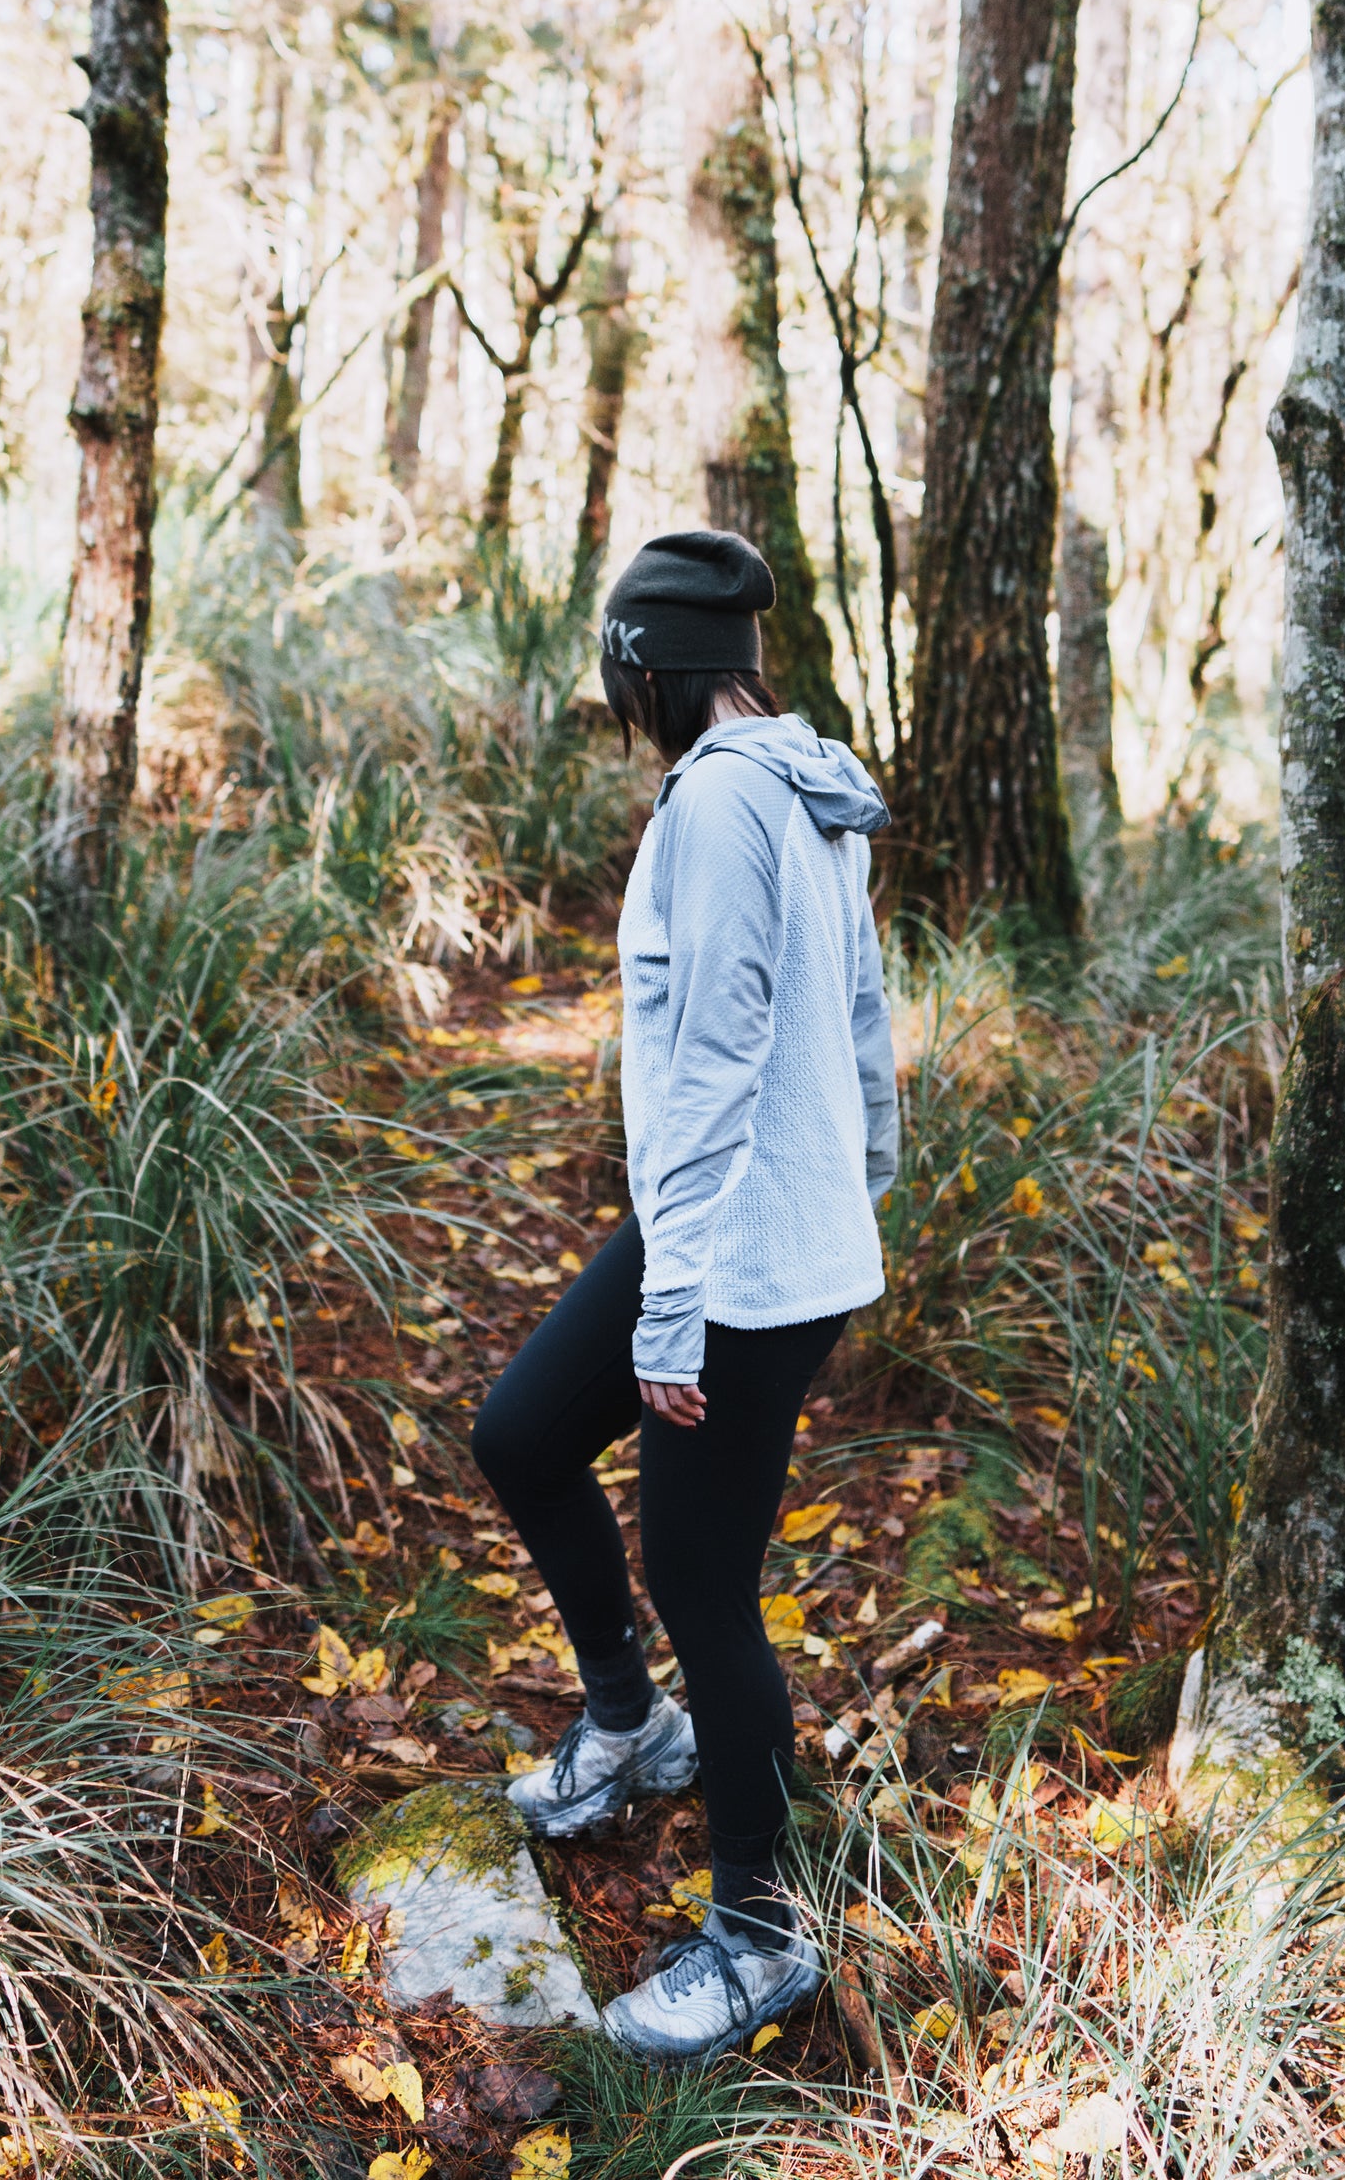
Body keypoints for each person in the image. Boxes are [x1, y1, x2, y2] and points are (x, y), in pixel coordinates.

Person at [468, 526, 897, 2067]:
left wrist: (678, 1307)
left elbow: (715, 1056)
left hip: (740, 1259)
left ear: (640, 669)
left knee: (704, 1585)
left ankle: (759, 1937)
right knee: (522, 1436)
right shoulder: (803, 782)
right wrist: (865, 1167)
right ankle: (627, 1723)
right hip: (737, 1226)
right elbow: (860, 1009)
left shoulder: (723, 803)